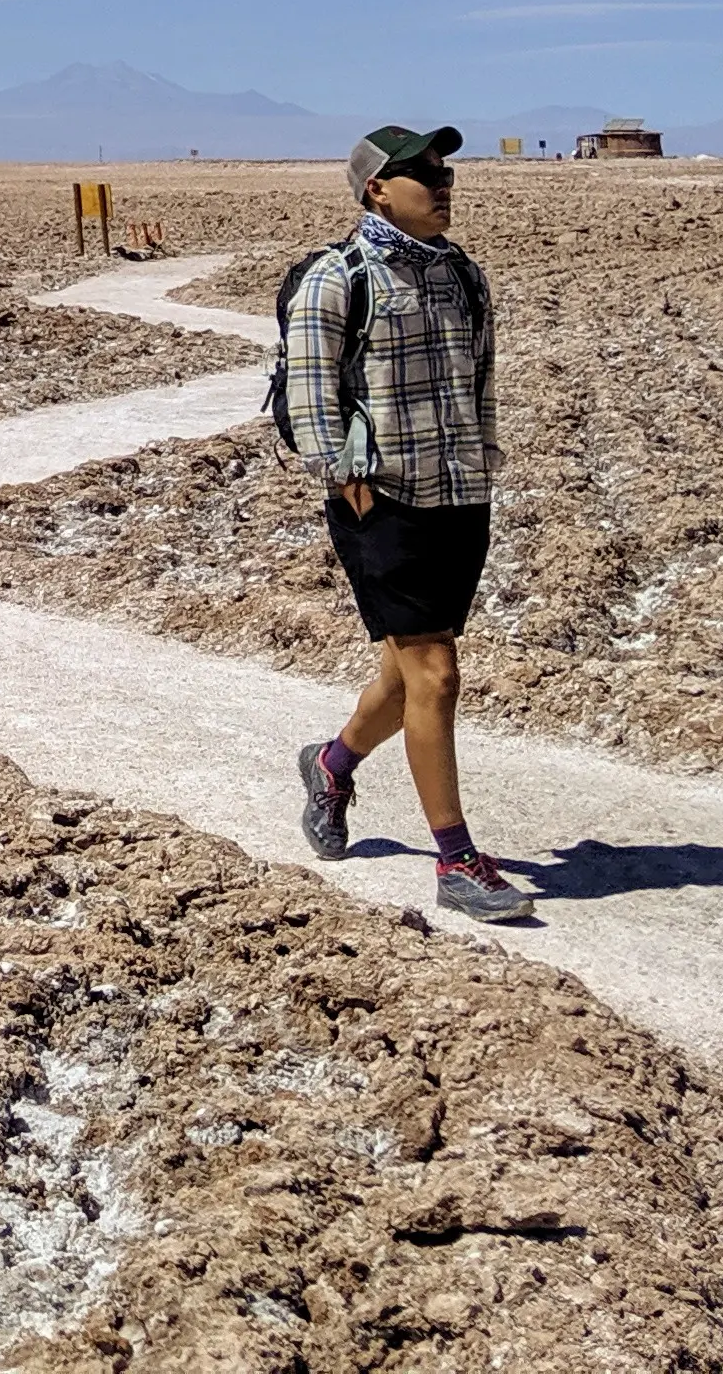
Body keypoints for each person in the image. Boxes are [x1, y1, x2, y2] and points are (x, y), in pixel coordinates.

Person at [285, 123, 536, 922]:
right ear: (375, 191)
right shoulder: (338, 276)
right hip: (381, 503)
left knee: (406, 676)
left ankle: (330, 765)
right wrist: (343, 479)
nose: (443, 183)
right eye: (421, 173)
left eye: (444, 170)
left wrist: (485, 457)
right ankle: (458, 860)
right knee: (436, 675)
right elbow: (311, 391)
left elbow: (484, 374)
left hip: (460, 495)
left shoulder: (463, 275)